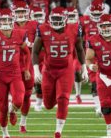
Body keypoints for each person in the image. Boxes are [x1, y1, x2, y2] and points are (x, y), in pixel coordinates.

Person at [32, 7, 88, 138]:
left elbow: (80, 49)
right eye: (54, 19)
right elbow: (35, 51)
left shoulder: (74, 28)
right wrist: (36, 70)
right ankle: (57, 97)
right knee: (48, 104)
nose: (56, 22)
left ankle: (58, 131)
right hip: (49, 70)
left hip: (65, 70)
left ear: (65, 19)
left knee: (63, 98)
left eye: (59, 19)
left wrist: (84, 67)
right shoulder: (43, 29)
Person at [0, 9, 30, 138]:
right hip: (0, 75)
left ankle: (13, 110)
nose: (5, 22)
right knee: (2, 108)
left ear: (12, 20)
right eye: (2, 20)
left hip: (15, 74)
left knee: (19, 101)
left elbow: (27, 52)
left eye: (7, 19)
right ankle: (5, 134)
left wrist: (26, 68)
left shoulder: (19, 34)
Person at [11, 1, 37, 133]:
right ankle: (12, 110)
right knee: (16, 95)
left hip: (28, 64)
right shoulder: (8, 25)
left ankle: (23, 123)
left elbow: (41, 43)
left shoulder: (34, 25)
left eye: (22, 12)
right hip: (11, 64)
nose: (21, 14)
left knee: (27, 95)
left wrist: (33, 45)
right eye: (18, 12)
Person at [79, 0, 104, 116]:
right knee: (94, 81)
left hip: (105, 53)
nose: (97, 16)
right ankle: (98, 106)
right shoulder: (84, 21)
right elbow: (78, 37)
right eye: (95, 13)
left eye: (99, 13)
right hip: (91, 54)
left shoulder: (108, 21)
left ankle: (107, 103)